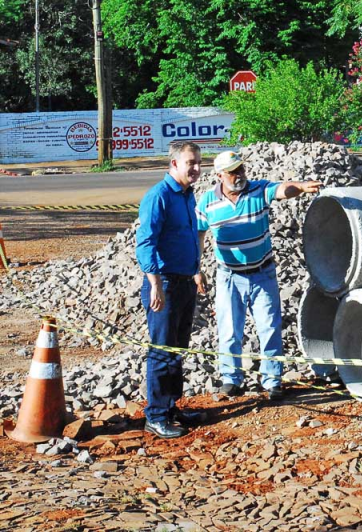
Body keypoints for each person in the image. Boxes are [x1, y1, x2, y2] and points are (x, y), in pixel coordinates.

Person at [196, 151, 322, 398]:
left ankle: (272, 380)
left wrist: (300, 186)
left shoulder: (258, 190)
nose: (239, 175)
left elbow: (282, 190)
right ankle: (231, 379)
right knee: (229, 331)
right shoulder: (207, 202)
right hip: (229, 277)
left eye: (241, 169)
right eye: (233, 172)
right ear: (220, 175)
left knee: (269, 328)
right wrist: (196, 268)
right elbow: (198, 233)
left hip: (262, 274)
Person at [136, 141, 205, 439]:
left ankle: (171, 407)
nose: (197, 168)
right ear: (174, 164)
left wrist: (196, 270)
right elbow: (145, 243)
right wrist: (155, 285)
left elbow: (189, 237)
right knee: (163, 351)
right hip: (164, 284)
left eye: (199, 162)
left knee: (177, 348)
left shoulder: (187, 195)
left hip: (185, 282)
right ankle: (156, 415)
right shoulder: (159, 196)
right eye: (191, 163)